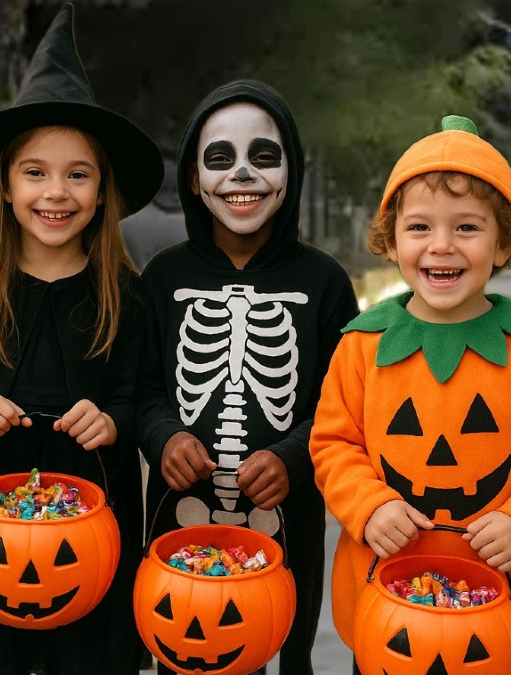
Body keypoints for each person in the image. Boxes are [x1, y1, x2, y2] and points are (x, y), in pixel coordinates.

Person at [308, 116, 511, 675]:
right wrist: (367, 505)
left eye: (467, 229)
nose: (441, 246)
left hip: (504, 612)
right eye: (419, 228)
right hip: (389, 605)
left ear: (503, 244)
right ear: (391, 240)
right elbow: (333, 443)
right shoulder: (362, 346)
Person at [0, 4, 163, 674]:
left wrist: (112, 422)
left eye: (76, 174)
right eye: (35, 172)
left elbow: (138, 394)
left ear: (100, 191)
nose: (54, 192)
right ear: (4, 186)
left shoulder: (126, 292)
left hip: (92, 520)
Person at [135, 80, 359, 675]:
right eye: (219, 159)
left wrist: (292, 455)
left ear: (291, 172)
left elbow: (346, 403)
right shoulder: (162, 278)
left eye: (264, 157)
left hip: (288, 517)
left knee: (285, 650)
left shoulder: (326, 281)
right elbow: (143, 388)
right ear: (192, 179)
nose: (241, 175)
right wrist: (163, 437)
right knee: (191, 652)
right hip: (179, 515)